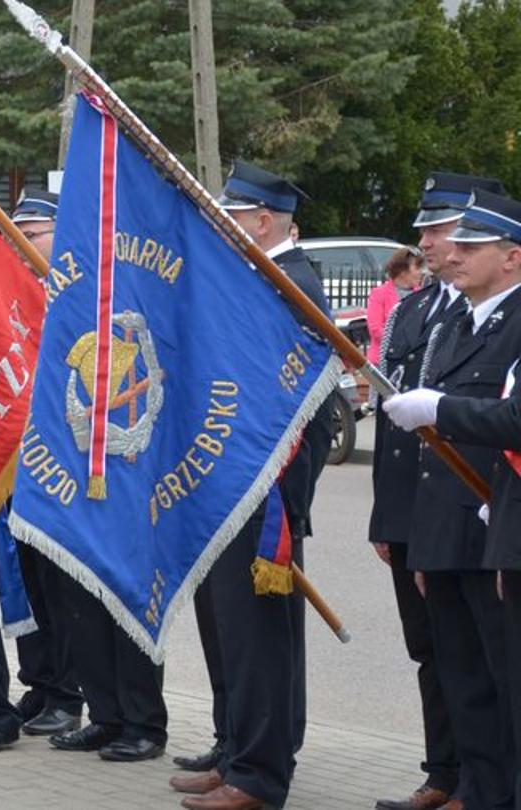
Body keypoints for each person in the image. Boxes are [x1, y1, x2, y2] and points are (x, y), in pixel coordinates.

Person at [173, 161, 332, 810]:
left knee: (259, 639)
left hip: (263, 497)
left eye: (231, 216)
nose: (221, 225)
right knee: (232, 633)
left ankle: (259, 775)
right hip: (231, 487)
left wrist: (286, 498)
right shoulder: (259, 276)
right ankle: (237, 749)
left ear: (263, 221)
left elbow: (301, 409)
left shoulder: (290, 284)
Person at [377, 190, 521, 810]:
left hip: (493, 530)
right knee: (465, 685)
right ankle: (477, 793)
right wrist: (418, 536)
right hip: (444, 532)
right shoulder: (456, 321)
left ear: (511, 257)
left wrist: (440, 408)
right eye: (452, 243)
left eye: (470, 245)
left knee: (504, 684)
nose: (453, 255)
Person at [4, 190, 85, 738]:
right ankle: (39, 682)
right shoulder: (14, 290)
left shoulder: (75, 295)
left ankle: (69, 693)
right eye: (16, 235)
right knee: (25, 577)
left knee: (60, 586)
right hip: (17, 459)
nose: (20, 244)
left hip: (62, 460)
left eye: (31, 235)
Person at [369, 248, 428, 365]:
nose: (421, 272)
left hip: (412, 362)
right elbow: (375, 329)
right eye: (417, 268)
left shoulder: (424, 295)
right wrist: (403, 343)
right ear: (402, 271)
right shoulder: (379, 293)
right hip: (383, 361)